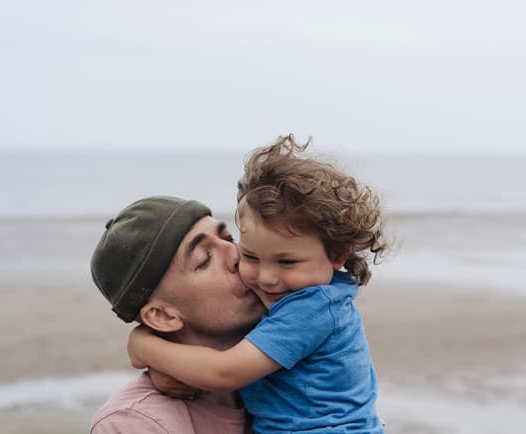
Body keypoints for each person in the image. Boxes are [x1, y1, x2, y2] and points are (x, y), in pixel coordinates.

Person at [128, 135, 389, 434]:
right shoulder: (298, 301)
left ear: (337, 254)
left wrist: (143, 347)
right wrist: (164, 374)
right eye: (250, 256)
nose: (265, 277)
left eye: (287, 262)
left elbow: (224, 372)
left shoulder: (312, 308)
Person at [89, 196, 265, 433]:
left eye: (228, 238)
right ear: (162, 316)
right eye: (205, 260)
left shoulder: (295, 362)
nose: (236, 255)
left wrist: (143, 347)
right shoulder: (135, 424)